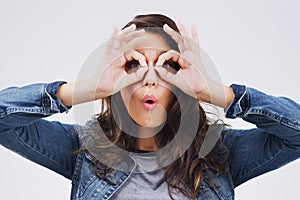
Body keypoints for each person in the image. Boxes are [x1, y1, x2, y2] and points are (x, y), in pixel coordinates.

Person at [0, 13, 299, 200]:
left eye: (167, 65)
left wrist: (217, 93)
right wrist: (89, 87)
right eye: (133, 64)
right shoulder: (84, 149)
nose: (150, 78)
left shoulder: (221, 152)